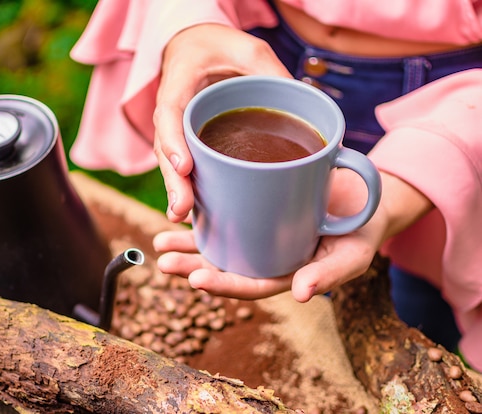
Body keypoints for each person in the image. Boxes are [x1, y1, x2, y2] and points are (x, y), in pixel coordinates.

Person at [69, 0, 482, 371]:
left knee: (415, 305)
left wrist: (419, 174)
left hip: (454, 98)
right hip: (253, 47)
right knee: (306, 318)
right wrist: (188, 26)